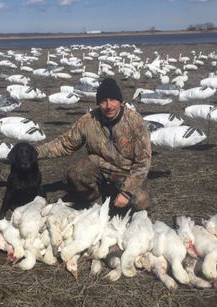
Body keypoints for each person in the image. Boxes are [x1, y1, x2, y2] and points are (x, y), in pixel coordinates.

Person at [36, 77, 152, 211]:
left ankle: (123, 197)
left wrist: (126, 192)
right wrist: (36, 152)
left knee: (141, 201)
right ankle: (95, 203)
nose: (109, 106)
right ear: (98, 103)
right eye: (103, 101)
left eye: (113, 100)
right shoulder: (89, 120)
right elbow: (65, 143)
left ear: (120, 101)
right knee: (76, 173)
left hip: (126, 171)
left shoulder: (135, 122)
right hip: (99, 167)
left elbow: (143, 162)